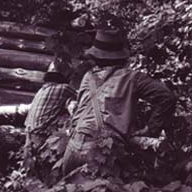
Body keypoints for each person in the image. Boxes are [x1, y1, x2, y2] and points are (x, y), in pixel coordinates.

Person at [62, 26, 176, 177]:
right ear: (121, 56)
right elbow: (167, 97)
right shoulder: (133, 78)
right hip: (100, 152)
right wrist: (151, 129)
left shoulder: (87, 77)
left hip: (72, 148)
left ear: (96, 56)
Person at [22, 54, 76, 180]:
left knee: (33, 167)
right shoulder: (65, 88)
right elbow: (83, 97)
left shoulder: (42, 89)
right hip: (41, 133)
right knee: (46, 168)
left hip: (29, 131)